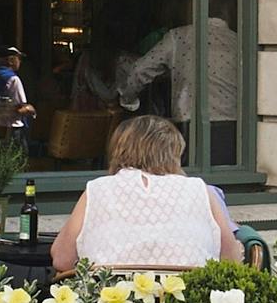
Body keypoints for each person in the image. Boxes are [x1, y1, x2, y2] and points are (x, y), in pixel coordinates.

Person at [51, 116, 243, 271]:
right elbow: (231, 261)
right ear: (173, 154)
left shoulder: (97, 189)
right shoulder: (199, 189)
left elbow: (62, 259)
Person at [116, 11, 241, 165]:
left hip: (190, 128)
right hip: (234, 130)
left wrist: (128, 99)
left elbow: (139, 71)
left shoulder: (178, 37)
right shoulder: (237, 41)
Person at [0, 46, 35, 138]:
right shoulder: (12, 79)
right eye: (19, 58)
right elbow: (19, 107)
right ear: (11, 60)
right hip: (9, 130)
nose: (20, 61)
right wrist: (30, 109)